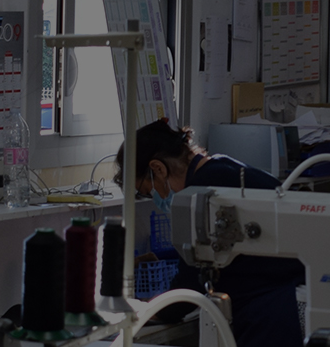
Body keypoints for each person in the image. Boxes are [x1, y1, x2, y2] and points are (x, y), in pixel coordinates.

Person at [115, 119, 299, 347]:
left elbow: (190, 282)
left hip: (269, 311)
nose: (155, 198)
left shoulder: (203, 194)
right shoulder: (221, 168)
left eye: (148, 191)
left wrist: (151, 311)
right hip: (284, 298)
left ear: (158, 169)